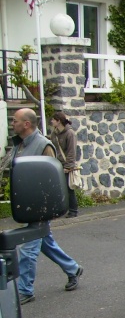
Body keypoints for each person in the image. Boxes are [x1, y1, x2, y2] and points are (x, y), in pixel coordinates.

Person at [10, 108, 83, 304]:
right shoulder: (20, 145)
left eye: (15, 120)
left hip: (40, 208)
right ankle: (72, 268)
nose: (12, 123)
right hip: (28, 204)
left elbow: (52, 181)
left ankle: (25, 290)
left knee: (28, 249)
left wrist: (48, 208)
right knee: (44, 242)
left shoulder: (44, 145)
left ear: (26, 124)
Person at [50, 111, 79, 218]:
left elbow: (72, 151)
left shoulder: (70, 133)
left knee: (69, 188)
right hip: (57, 164)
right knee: (58, 188)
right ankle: (60, 209)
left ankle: (73, 210)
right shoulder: (54, 133)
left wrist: (68, 167)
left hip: (66, 165)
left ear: (58, 121)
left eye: (53, 119)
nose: (51, 121)